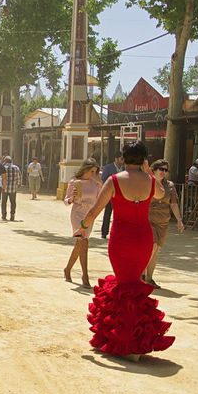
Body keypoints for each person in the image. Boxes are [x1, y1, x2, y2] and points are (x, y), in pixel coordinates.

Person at [77, 141, 173, 361]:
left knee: (124, 285)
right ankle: (134, 342)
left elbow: (95, 211)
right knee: (135, 285)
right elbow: (160, 193)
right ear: (143, 159)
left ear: (123, 158)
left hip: (121, 239)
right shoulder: (150, 181)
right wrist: (148, 170)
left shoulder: (113, 181)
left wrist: (82, 226)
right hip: (143, 238)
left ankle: (124, 342)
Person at [144, 159, 185, 288]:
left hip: (163, 221)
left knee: (157, 250)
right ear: (154, 170)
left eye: (165, 170)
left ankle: (149, 278)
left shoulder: (170, 186)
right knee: (153, 246)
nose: (163, 172)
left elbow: (173, 203)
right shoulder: (147, 182)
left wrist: (179, 219)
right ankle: (142, 274)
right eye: (161, 169)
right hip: (148, 219)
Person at [63, 159, 102, 288]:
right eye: (92, 171)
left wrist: (100, 181)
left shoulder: (96, 184)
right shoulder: (75, 182)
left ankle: (68, 269)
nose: (93, 174)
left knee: (80, 244)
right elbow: (66, 201)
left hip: (89, 215)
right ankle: (85, 276)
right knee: (83, 242)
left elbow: (101, 199)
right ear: (85, 169)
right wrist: (72, 198)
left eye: (95, 172)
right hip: (77, 214)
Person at [99, 151, 124, 239]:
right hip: (110, 194)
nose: (123, 161)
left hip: (121, 195)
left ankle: (118, 233)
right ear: (116, 159)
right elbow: (103, 180)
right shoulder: (108, 168)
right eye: (121, 158)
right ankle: (104, 232)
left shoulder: (124, 168)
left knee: (120, 215)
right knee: (108, 213)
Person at [1, 156, 21, 221]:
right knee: (13, 202)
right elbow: (19, 176)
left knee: (4, 202)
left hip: (4, 187)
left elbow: (1, 177)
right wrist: (19, 184)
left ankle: (4, 215)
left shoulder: (3, 167)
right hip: (13, 188)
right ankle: (12, 214)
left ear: (5, 161)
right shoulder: (16, 168)